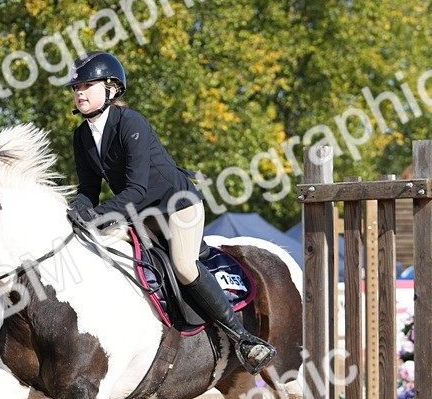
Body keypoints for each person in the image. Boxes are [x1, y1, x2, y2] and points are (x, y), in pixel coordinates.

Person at [63, 50, 275, 374]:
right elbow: (89, 191)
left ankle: (243, 339)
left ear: (111, 89)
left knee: (184, 266)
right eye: (76, 87)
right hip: (139, 214)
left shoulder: (130, 123)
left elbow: (136, 190)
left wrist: (97, 215)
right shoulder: (82, 137)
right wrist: (74, 210)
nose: (79, 92)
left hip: (177, 206)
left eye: (87, 85)